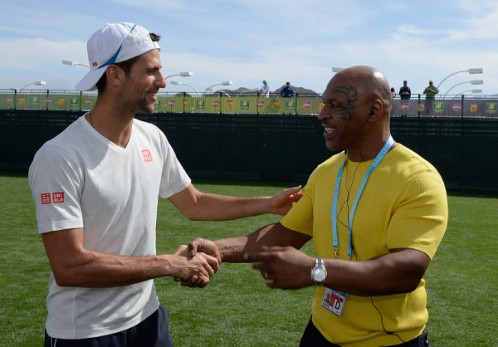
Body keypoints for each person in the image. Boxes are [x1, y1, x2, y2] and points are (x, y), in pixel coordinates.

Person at [28, 22, 302, 347]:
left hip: (149, 320)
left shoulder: (152, 137)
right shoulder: (60, 155)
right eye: (152, 71)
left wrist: (269, 202)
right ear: (114, 75)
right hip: (86, 334)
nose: (161, 81)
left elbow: (194, 203)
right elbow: (70, 266)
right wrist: (170, 264)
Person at [188, 66, 448, 346]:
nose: (322, 114)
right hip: (320, 333)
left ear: (373, 111)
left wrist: (316, 269)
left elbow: (406, 269)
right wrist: (218, 249)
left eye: (335, 106)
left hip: (390, 341)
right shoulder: (326, 172)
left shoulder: (418, 178)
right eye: (324, 104)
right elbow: (283, 236)